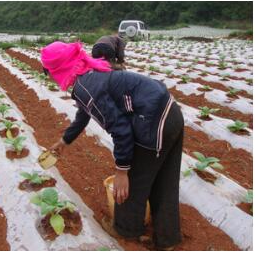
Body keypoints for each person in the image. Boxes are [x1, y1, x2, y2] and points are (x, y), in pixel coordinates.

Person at [42, 41, 183, 250]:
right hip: (170, 113)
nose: (51, 77)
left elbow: (121, 129)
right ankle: (168, 238)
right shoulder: (88, 74)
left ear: (58, 68)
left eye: (49, 71)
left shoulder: (84, 85)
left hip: (153, 122)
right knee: (164, 178)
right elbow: (85, 112)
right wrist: (65, 140)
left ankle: (126, 229)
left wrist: (122, 171)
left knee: (133, 181)